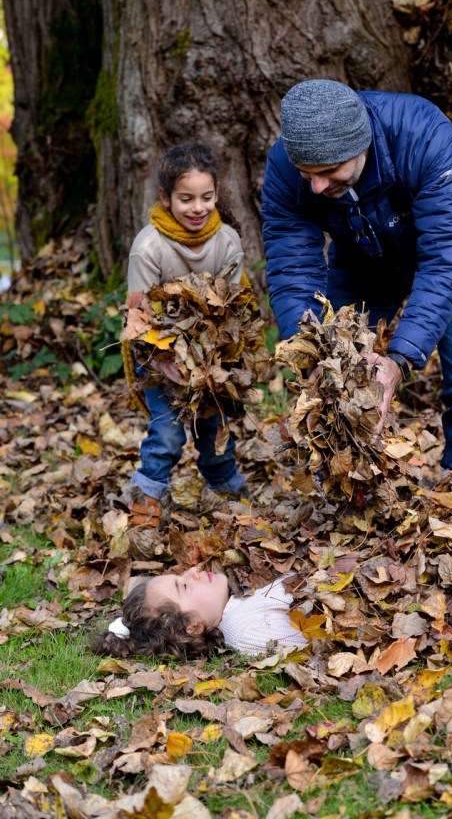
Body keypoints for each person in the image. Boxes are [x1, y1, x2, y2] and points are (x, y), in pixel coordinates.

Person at [261, 80, 452, 471]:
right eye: (308, 175)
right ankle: (354, 486)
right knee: (337, 376)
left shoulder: (422, 134)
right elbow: (292, 267)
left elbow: (445, 256)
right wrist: (310, 352)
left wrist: (400, 359)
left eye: (329, 171)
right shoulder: (286, 166)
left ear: (362, 146)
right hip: (364, 261)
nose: (317, 187)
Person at [123, 142, 247, 551]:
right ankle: (147, 507)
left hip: (210, 356)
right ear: (166, 198)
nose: (197, 208)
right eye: (186, 199)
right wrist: (165, 364)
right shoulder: (150, 247)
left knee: (214, 427)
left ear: (217, 195)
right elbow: (138, 320)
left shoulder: (226, 241)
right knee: (167, 434)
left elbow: (235, 306)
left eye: (206, 198)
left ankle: (227, 490)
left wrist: (224, 358)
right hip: (159, 356)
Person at [92, 567, 308, 658]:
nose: (193, 571)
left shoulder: (235, 586)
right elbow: (312, 641)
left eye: (182, 574)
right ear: (193, 626)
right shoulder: (245, 629)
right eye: (184, 586)